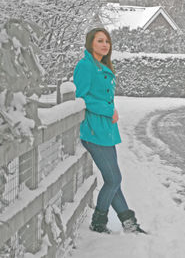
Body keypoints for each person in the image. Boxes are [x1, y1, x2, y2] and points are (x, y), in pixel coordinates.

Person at [73, 27, 146, 234]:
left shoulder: (103, 66)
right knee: (114, 179)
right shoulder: (85, 66)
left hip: (106, 130)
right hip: (94, 130)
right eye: (100, 41)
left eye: (107, 41)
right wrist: (108, 109)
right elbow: (81, 97)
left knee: (112, 178)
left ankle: (128, 222)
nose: (105, 45)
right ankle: (99, 221)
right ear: (90, 44)